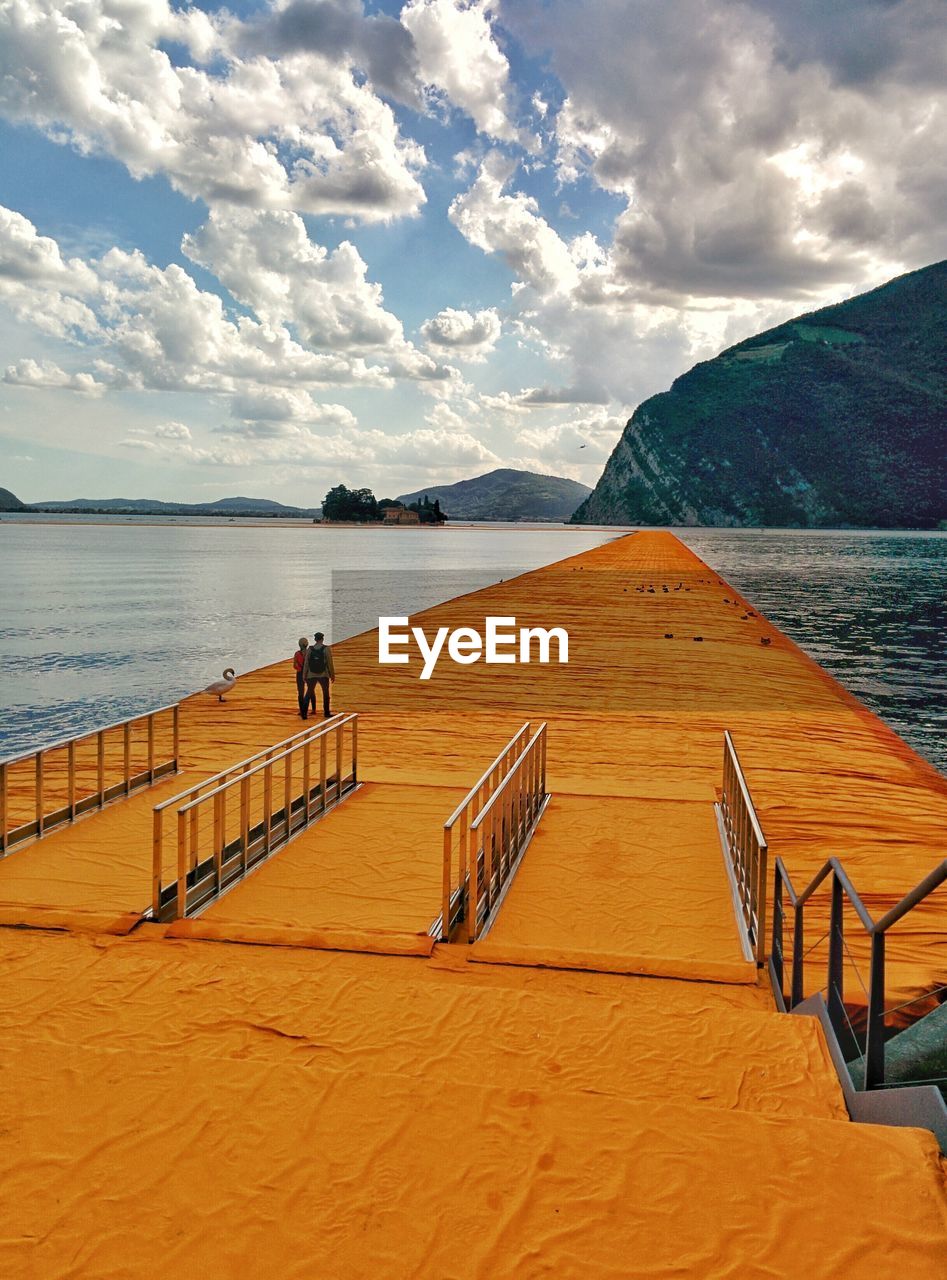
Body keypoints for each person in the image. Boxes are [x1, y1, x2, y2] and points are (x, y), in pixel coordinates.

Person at [303, 631, 335, 719]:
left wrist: (304, 674)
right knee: (326, 694)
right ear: (322, 639)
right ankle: (326, 712)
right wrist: (332, 675)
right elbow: (329, 663)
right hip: (323, 674)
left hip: (311, 674)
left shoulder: (310, 649)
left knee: (308, 693)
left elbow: (306, 663)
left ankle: (304, 713)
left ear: (315, 639)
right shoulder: (326, 649)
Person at [293, 637, 309, 718]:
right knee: (310, 691)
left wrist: (299, 668)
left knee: (300, 692)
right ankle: (310, 709)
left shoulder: (297, 654)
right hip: (308, 673)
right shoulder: (309, 652)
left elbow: (294, 666)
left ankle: (302, 710)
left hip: (299, 673)